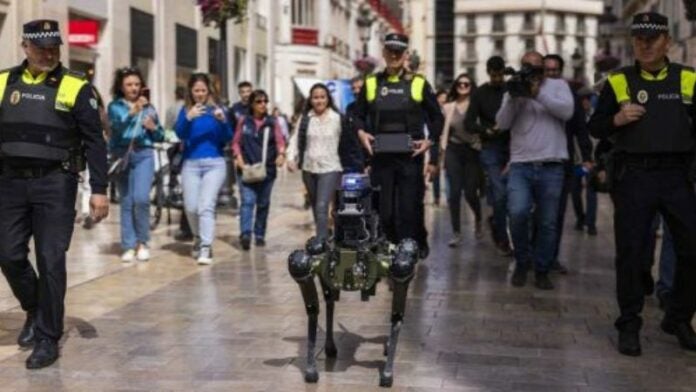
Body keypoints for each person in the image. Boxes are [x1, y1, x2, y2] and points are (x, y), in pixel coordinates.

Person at [0, 19, 109, 369]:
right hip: (10, 182)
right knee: (8, 254)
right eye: (41, 47)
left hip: (55, 183)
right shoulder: (3, 82)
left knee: (50, 260)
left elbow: (95, 141)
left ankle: (48, 338)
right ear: (24, 47)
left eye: (54, 47)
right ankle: (34, 308)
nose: (49, 53)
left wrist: (100, 190)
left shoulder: (76, 86)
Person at [588, 12, 696, 356]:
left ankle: (678, 316)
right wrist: (617, 119)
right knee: (631, 255)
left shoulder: (689, 78)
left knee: (692, 251)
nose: (645, 44)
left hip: (679, 176)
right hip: (634, 177)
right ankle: (629, 324)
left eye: (652, 38)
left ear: (667, 41)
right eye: (639, 39)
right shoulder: (618, 81)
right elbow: (596, 126)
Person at [352, 33, 444, 259]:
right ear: (383, 53)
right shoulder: (371, 82)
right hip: (381, 158)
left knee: (408, 210)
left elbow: (436, 118)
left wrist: (429, 141)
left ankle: (406, 254)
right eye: (390, 50)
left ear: (405, 55)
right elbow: (357, 115)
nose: (394, 55)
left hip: (410, 159)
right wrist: (361, 132)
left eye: (399, 51)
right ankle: (391, 249)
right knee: (385, 213)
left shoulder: (419, 83)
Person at [495, 51, 574, 290]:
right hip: (521, 164)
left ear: (544, 69)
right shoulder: (514, 89)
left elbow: (567, 112)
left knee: (548, 222)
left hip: (552, 164)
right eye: (527, 67)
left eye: (537, 68)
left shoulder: (558, 85)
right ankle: (522, 261)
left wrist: (537, 93)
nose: (533, 72)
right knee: (517, 214)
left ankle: (542, 269)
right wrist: (513, 97)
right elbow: (502, 123)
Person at [287, 83, 363, 241]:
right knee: (316, 206)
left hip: (331, 167)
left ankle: (320, 242)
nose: (319, 101)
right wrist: (290, 158)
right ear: (311, 99)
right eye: (315, 97)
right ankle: (325, 232)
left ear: (328, 99)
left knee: (322, 205)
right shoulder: (306, 118)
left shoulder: (337, 119)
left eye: (322, 97)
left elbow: (348, 143)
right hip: (309, 168)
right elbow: (295, 139)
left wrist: (357, 163)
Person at [542, 54, 594, 274]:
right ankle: (534, 255)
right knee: (534, 213)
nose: (552, 73)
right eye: (548, 70)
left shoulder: (570, 95)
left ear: (561, 71)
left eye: (555, 70)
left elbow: (581, 129)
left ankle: (550, 257)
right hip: (537, 160)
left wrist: (588, 156)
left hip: (563, 162)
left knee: (557, 214)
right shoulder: (533, 93)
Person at [108, 66, 165, 262]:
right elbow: (115, 127)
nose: (133, 88)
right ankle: (128, 245)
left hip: (144, 154)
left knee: (141, 199)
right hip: (122, 155)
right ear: (121, 87)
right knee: (126, 201)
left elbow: (160, 135)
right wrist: (132, 112)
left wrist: (153, 127)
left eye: (137, 84)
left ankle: (142, 241)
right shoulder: (115, 106)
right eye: (129, 84)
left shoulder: (149, 107)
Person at [175, 73, 233, 264]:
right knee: (191, 207)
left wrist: (222, 121)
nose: (200, 94)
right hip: (191, 164)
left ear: (208, 91)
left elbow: (227, 137)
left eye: (203, 90)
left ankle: (206, 247)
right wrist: (188, 118)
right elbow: (179, 133)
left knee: (206, 205)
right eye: (196, 90)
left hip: (214, 164)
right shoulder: (185, 110)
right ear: (191, 92)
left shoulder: (218, 110)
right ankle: (198, 238)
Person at [465, 56, 513, 256]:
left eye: (500, 75)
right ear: (488, 72)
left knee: (510, 194)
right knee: (500, 192)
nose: (497, 79)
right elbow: (469, 123)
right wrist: (486, 131)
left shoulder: (511, 91)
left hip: (514, 146)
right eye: (493, 75)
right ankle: (502, 237)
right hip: (490, 147)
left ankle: (498, 222)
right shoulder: (480, 93)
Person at [232, 89, 286, 250]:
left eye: (265, 101)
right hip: (247, 168)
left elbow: (280, 141)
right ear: (252, 104)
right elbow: (236, 142)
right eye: (259, 101)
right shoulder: (244, 121)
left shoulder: (272, 122)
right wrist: (238, 157)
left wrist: (281, 154)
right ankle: (246, 234)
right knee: (247, 202)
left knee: (263, 203)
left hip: (267, 170)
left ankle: (260, 233)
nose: (263, 105)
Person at [440, 74, 483, 247]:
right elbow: (443, 131)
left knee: (471, 192)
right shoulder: (448, 107)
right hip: (453, 150)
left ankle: (478, 218)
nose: (463, 86)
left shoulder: (477, 106)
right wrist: (440, 156)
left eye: (466, 84)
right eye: (460, 84)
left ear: (471, 86)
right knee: (454, 193)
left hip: (472, 151)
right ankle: (456, 232)